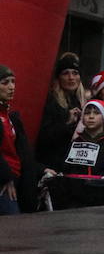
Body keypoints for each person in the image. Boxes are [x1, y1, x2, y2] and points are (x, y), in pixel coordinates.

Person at [57, 99, 104, 208]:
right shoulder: (76, 141)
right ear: (82, 119)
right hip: (76, 198)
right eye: (87, 113)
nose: (91, 116)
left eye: (96, 113)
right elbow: (67, 167)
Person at [38, 53, 86, 173]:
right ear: (58, 77)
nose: (71, 78)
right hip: (54, 166)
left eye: (75, 73)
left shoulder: (84, 104)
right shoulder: (51, 102)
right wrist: (67, 122)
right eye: (66, 73)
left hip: (76, 166)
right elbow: (44, 139)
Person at [0, 63, 38, 214]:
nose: (11, 87)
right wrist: (5, 177)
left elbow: (20, 151)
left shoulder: (10, 116)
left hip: (16, 179)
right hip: (4, 182)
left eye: (13, 81)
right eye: (5, 83)